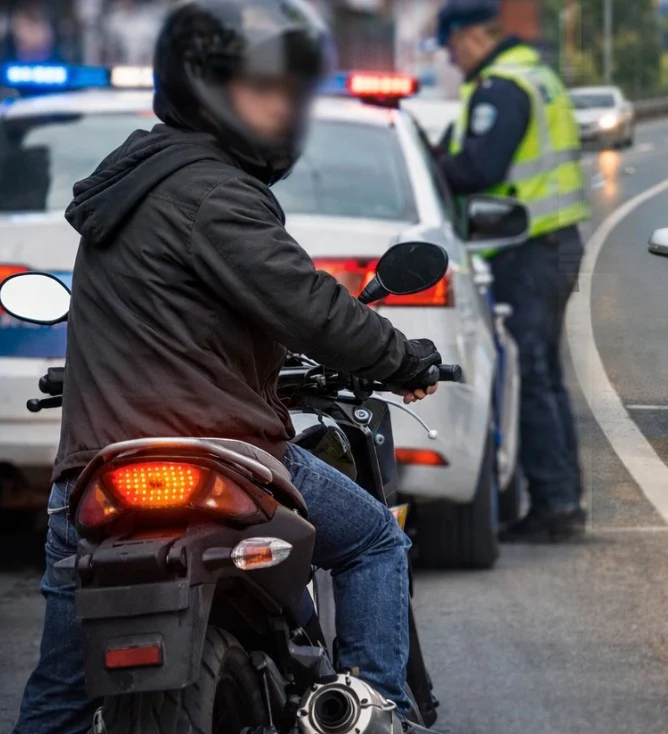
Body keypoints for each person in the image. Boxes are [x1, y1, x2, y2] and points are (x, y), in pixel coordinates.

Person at [12, 1, 441, 731]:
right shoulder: (214, 191)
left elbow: (190, 313)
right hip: (223, 452)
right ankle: (380, 713)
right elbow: (308, 306)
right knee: (375, 541)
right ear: (203, 92)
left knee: (58, 696)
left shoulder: (130, 186)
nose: (276, 109)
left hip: (95, 463)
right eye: (256, 90)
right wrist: (401, 357)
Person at [433, 0, 588, 542]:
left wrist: (431, 166)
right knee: (543, 374)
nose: (450, 59)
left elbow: (479, 167)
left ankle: (556, 505)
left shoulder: (501, 87)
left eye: (450, 46)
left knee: (532, 374)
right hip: (550, 243)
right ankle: (561, 500)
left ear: (470, 36)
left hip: (528, 248)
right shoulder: (535, 73)